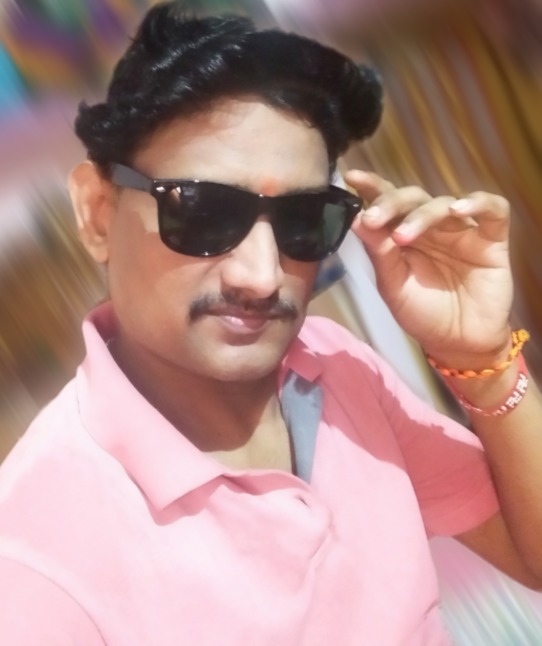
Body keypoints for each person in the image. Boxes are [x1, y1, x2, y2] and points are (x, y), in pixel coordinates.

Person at [1, 2, 541, 644]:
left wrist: (483, 360)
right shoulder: (38, 562)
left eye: (304, 219)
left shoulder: (334, 368)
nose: (260, 276)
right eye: (201, 210)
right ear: (96, 212)